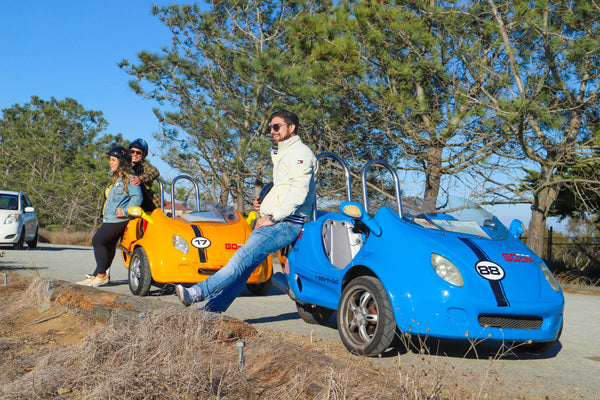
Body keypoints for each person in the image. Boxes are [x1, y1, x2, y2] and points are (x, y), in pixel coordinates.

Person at [175, 110, 316, 312]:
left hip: (285, 222)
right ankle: (211, 312)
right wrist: (266, 205)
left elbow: (298, 193)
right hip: (278, 220)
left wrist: (273, 217)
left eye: (277, 127)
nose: (272, 131)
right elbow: (283, 188)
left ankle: (196, 292)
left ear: (291, 128)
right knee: (242, 271)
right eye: (270, 127)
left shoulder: (300, 153)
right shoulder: (284, 153)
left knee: (239, 261)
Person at [77, 146, 142, 287]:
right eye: (110, 160)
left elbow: (137, 199)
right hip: (110, 218)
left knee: (97, 240)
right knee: (109, 245)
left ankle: (101, 275)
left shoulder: (130, 179)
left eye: (113, 160)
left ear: (122, 162)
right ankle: (96, 275)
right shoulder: (116, 180)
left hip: (119, 219)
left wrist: (125, 211)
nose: (110, 162)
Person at [129, 138, 161, 212]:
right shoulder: (124, 168)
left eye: (138, 153)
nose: (135, 154)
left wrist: (141, 178)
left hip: (148, 205)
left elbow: (155, 171)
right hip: (130, 205)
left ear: (143, 155)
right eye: (132, 151)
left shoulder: (144, 166)